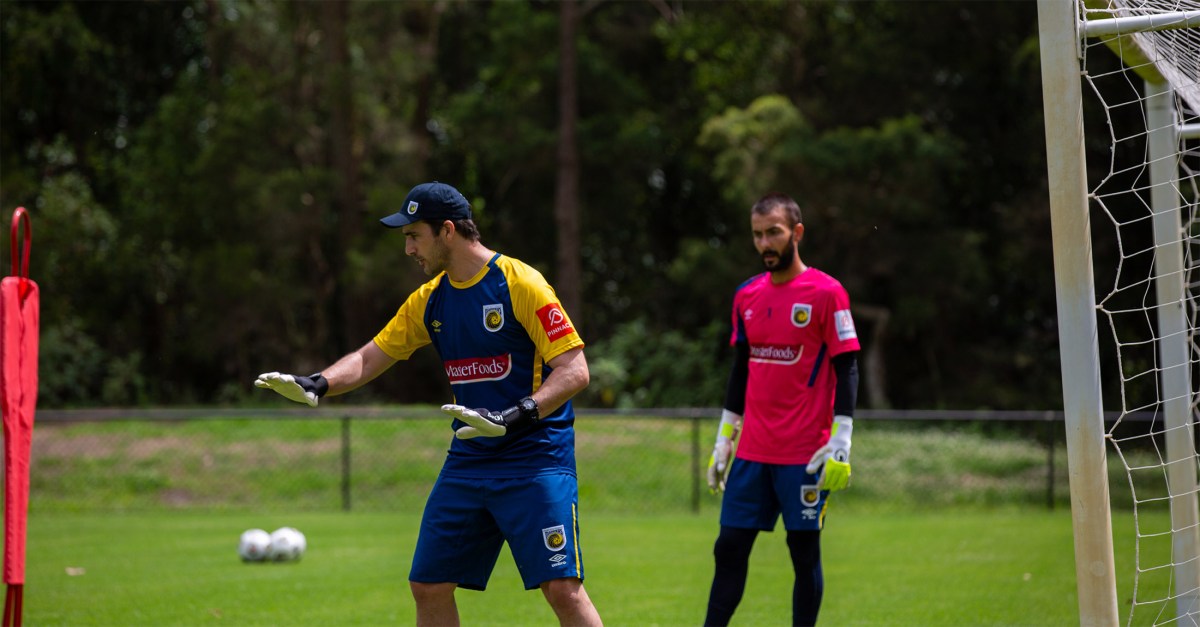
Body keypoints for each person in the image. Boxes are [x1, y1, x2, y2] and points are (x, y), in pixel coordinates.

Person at [254, 181, 603, 627]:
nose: (408, 249)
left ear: (448, 231)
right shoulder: (430, 300)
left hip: (535, 459)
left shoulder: (521, 283)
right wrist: (318, 384)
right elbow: (371, 356)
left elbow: (575, 370)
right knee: (429, 585)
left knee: (562, 590)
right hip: (470, 461)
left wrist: (514, 416)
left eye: (413, 235)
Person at [703, 192, 860, 627]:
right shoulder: (746, 296)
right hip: (752, 452)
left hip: (805, 454)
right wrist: (723, 440)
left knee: (803, 553)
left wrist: (841, 440)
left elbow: (847, 368)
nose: (765, 243)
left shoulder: (828, 293)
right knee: (728, 547)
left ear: (797, 232)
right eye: (757, 235)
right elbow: (740, 372)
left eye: (773, 232)